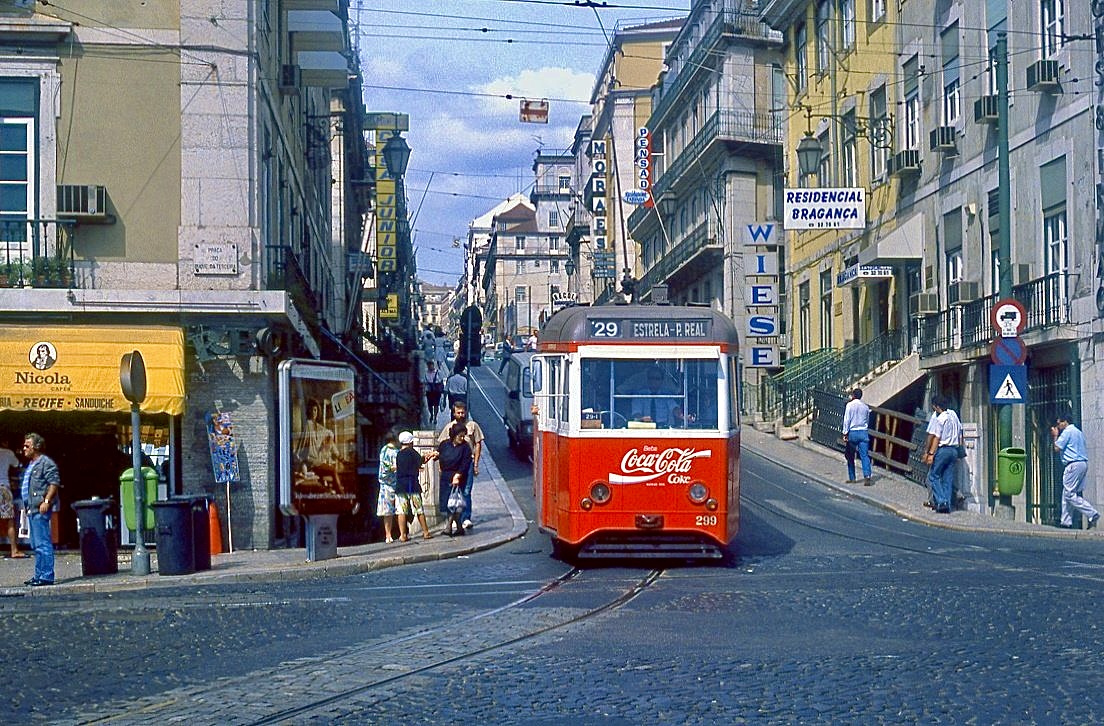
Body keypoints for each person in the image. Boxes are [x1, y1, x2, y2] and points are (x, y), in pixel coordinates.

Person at [436, 400, 484, 530]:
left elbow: (478, 443)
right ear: (454, 413)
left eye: (463, 412)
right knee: (452, 493)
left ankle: (466, 517)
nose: (461, 415)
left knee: (466, 491)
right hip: (452, 466)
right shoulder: (449, 427)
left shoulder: (472, 425)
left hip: (467, 463)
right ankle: (453, 519)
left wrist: (475, 464)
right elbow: (442, 445)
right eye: (458, 412)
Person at [20, 433, 60, 586]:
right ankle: (38, 574)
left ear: (36, 447)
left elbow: (53, 483)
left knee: (43, 543)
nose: (24, 449)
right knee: (36, 544)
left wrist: (47, 501)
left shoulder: (46, 463)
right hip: (31, 508)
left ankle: (46, 576)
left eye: (27, 446)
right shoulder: (31, 464)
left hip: (40, 507)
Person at [1051, 413, 1100, 530]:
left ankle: (1092, 513)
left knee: (1069, 494)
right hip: (1082, 463)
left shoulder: (1067, 432)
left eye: (1059, 423)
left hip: (1072, 464)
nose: (1058, 426)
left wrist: (1055, 436)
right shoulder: (1078, 432)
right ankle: (1066, 522)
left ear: (1065, 422)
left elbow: (1057, 448)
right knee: (1067, 493)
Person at [921, 394, 963, 514]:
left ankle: (941, 501)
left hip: (943, 450)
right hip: (954, 450)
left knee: (933, 476)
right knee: (947, 478)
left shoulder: (940, 419)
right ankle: (947, 505)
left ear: (937, 407)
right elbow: (960, 431)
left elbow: (936, 438)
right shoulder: (954, 415)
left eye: (934, 407)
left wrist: (930, 454)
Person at [395, 431, 436, 542]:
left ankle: (403, 535)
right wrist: (428, 457)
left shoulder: (399, 454)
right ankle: (426, 532)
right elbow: (419, 462)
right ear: (410, 442)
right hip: (412, 484)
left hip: (400, 486)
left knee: (401, 510)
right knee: (419, 509)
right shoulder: (412, 452)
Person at [436, 422, 473, 534]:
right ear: (454, 435)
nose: (462, 438)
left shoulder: (465, 447)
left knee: (455, 503)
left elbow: (465, 462)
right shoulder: (444, 444)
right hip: (446, 476)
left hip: (458, 477)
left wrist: (458, 475)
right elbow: (440, 455)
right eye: (460, 436)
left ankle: (448, 527)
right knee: (448, 502)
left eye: (463, 436)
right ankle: (459, 528)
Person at [842, 388, 873, 486]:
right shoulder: (865, 407)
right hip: (863, 432)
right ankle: (867, 475)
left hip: (853, 432)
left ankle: (852, 477)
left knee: (850, 455)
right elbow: (867, 420)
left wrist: (845, 433)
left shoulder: (849, 406)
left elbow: (847, 420)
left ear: (853, 395)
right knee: (864, 455)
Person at [376, 429, 400, 543]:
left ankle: (388, 535)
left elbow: (383, 468)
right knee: (400, 509)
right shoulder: (397, 452)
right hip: (396, 482)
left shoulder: (383, 450)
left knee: (387, 511)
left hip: (385, 484)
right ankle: (402, 533)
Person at [0, 438, 22, 557]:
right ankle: (14, 550)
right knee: (10, 520)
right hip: (3, 487)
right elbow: (17, 464)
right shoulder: (8, 453)